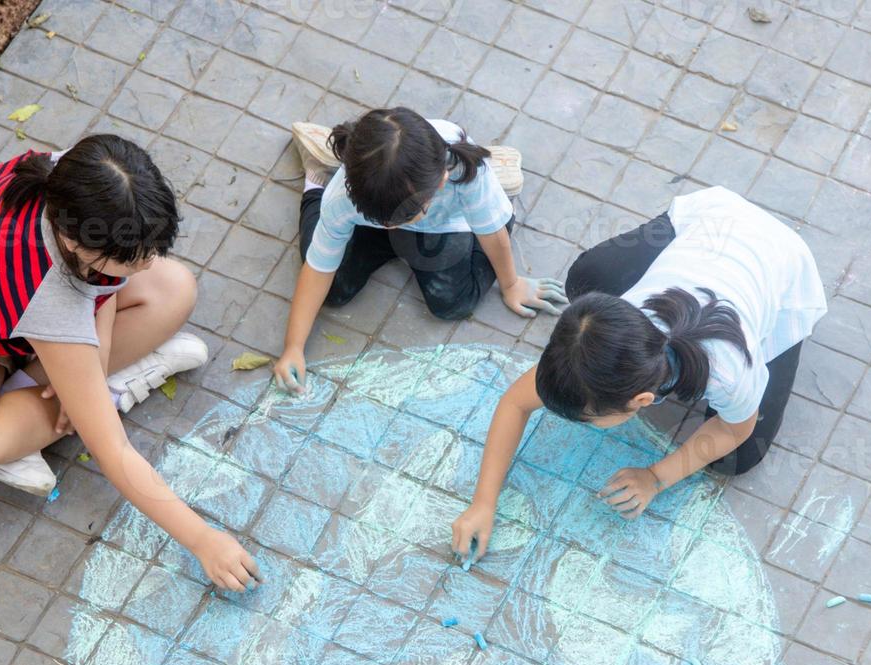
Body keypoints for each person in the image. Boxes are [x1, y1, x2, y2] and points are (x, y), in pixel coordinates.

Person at [0, 134, 260, 590]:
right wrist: (204, 541)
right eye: (132, 257)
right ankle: (66, 409)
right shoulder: (49, 290)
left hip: (14, 308)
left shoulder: (80, 176)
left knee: (174, 288)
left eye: (152, 248)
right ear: (75, 243)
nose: (149, 262)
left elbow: (101, 290)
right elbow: (114, 452)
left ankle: (79, 390)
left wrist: (96, 359)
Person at [452, 186, 827, 559]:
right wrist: (483, 503)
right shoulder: (611, 328)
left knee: (737, 458)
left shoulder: (729, 372)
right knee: (585, 279)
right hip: (716, 222)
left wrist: (655, 478)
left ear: (642, 400)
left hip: (784, 269)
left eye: (587, 418)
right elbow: (516, 403)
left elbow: (734, 429)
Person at [272, 107, 566, 392]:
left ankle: (498, 182)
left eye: (400, 218)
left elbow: (492, 234)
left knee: (453, 303)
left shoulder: (462, 170)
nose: (391, 225)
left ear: (441, 182)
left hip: (445, 223)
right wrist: (292, 347)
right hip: (377, 210)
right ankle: (316, 180)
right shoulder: (345, 197)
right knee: (333, 290)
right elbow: (318, 267)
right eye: (384, 221)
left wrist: (511, 284)